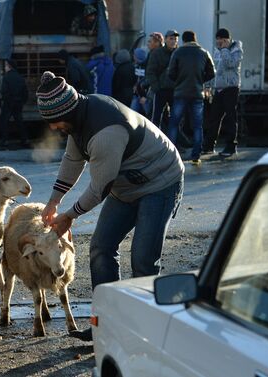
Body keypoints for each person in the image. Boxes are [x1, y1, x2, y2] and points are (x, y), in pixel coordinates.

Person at [37, 71, 184, 341]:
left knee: (143, 258)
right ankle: (106, 326)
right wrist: (53, 201)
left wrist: (68, 216)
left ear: (67, 113)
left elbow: (99, 188)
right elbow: (72, 161)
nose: (53, 128)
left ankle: (148, 332)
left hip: (160, 183)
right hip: (126, 185)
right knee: (101, 249)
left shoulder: (105, 132)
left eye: (54, 122)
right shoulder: (78, 118)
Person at [167, 30, 215, 164]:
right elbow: (212, 73)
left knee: (174, 124)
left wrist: (179, 81)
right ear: (195, 39)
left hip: (180, 93)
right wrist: (200, 80)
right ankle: (196, 156)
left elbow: (170, 73)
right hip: (197, 93)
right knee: (197, 126)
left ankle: (170, 155)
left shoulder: (178, 53)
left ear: (183, 40)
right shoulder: (204, 53)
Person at [203, 28, 244, 156]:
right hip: (218, 88)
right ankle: (209, 145)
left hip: (231, 87)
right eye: (218, 39)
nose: (219, 42)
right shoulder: (217, 50)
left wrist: (225, 49)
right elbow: (214, 69)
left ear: (228, 39)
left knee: (230, 118)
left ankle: (231, 146)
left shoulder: (236, 50)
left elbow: (230, 64)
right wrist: (208, 86)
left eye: (222, 39)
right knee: (214, 117)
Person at [146, 30, 177, 129]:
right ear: (166, 39)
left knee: (176, 119)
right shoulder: (157, 53)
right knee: (156, 118)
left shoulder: (179, 53)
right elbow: (150, 72)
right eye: (171, 38)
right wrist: (157, 88)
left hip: (175, 90)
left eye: (175, 39)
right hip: (161, 90)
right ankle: (154, 141)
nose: (173, 41)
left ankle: (174, 142)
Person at [0, 59, 29, 149]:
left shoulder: (6, 77)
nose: (5, 67)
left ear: (9, 66)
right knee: (19, 121)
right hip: (18, 102)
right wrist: (22, 101)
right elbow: (25, 92)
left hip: (9, 103)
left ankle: (5, 141)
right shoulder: (20, 77)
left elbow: (4, 91)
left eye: (5, 65)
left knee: (5, 122)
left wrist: (6, 100)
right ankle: (24, 140)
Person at [130, 47, 148, 114]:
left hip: (145, 97)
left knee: (149, 116)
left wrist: (144, 96)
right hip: (136, 95)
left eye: (134, 55)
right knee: (132, 115)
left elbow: (147, 83)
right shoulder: (136, 66)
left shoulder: (147, 67)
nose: (133, 56)